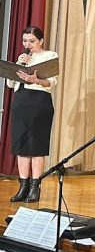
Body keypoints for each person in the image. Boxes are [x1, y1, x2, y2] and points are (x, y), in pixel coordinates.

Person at [6, 26, 58, 204]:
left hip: (39, 103)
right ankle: (23, 186)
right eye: (25, 41)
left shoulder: (49, 55)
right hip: (21, 102)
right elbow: (10, 84)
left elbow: (52, 82)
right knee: (21, 145)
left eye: (32, 41)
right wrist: (18, 65)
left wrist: (36, 80)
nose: (28, 44)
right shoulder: (22, 58)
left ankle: (35, 187)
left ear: (41, 41)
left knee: (36, 145)